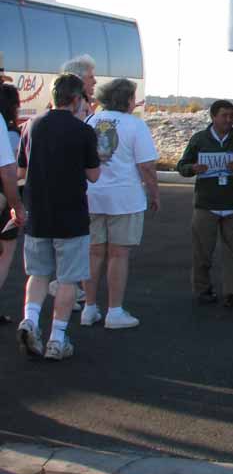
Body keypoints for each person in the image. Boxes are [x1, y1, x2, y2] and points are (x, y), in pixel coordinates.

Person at [16, 74, 100, 361]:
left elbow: (20, 171)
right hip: (71, 215)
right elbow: (93, 174)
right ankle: (57, 338)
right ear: (76, 99)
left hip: (37, 212)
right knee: (67, 279)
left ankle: (30, 319)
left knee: (38, 274)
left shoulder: (31, 126)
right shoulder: (83, 131)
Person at [81, 77, 159, 330]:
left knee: (93, 252)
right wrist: (154, 193)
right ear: (127, 99)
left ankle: (89, 307)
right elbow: (146, 166)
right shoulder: (135, 125)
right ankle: (114, 311)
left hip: (92, 195)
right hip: (124, 198)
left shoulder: (91, 121)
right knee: (118, 253)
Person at [176, 100, 233, 307]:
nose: (229, 120)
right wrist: (193, 168)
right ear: (213, 117)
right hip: (206, 205)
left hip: (232, 205)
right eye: (224, 115)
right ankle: (203, 290)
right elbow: (182, 166)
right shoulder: (199, 140)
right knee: (202, 252)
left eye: (231, 115)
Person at [47, 53, 98, 308]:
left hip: (63, 189)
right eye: (90, 77)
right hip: (69, 190)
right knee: (70, 242)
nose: (95, 81)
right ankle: (64, 288)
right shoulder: (77, 115)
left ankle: (66, 285)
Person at [0, 86, 25, 322]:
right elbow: (11, 171)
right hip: (4, 195)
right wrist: (17, 204)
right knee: (6, 252)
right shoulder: (10, 131)